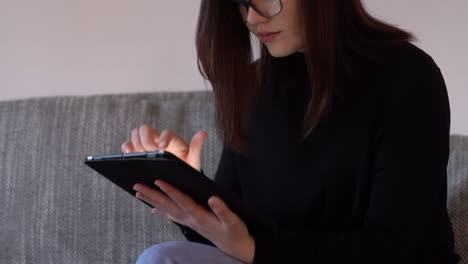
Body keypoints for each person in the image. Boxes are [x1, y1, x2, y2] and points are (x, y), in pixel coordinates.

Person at [122, 0, 461, 263]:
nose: (253, 17)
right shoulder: (255, 87)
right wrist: (189, 188)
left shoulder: (409, 78)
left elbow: (389, 249)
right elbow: (229, 240)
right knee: (163, 258)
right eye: (242, 2)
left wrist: (255, 250)